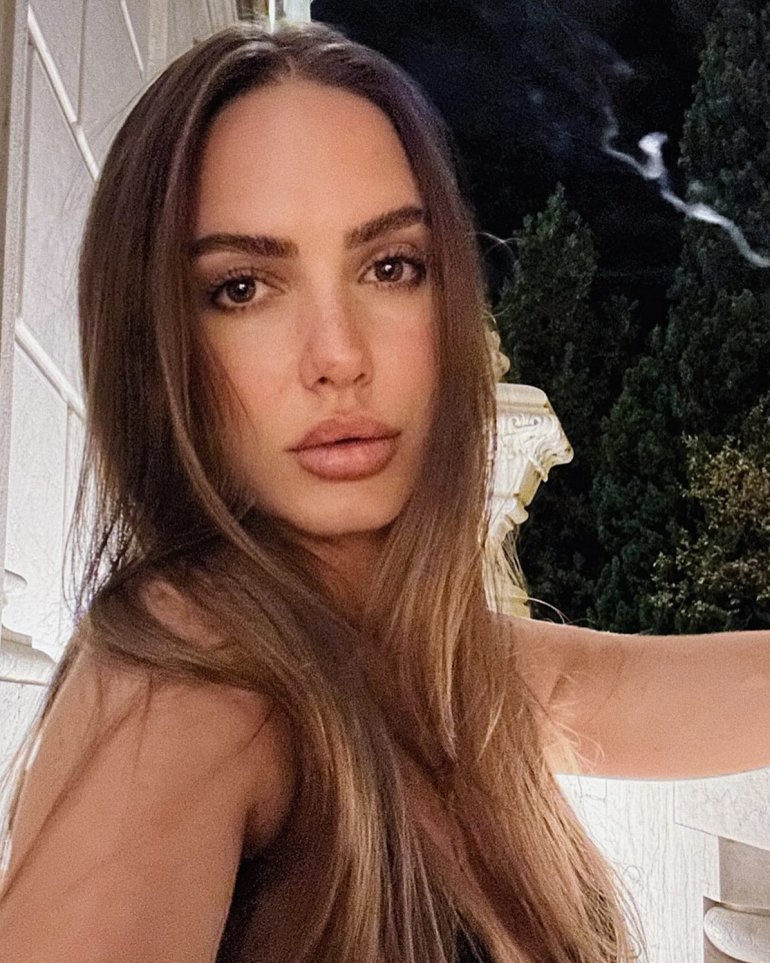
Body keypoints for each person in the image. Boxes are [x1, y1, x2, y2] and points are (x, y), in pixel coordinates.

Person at [0, 19, 768, 963]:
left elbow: (652, 688)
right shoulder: (187, 674)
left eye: (390, 267)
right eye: (243, 287)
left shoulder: (414, 655)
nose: (339, 356)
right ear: (158, 344)